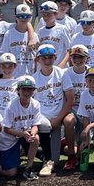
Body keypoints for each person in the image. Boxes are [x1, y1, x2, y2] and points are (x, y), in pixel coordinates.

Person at [0, 76, 47, 182]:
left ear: (33, 91)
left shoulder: (35, 104)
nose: (27, 92)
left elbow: (36, 125)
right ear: (18, 91)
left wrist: (32, 134)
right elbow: (7, 129)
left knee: (36, 138)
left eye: (29, 89)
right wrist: (23, 134)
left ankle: (28, 168)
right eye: (24, 89)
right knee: (11, 173)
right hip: (9, 139)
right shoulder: (11, 106)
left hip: (23, 134)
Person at [31, 44, 67, 175]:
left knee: (57, 161)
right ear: (38, 59)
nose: (47, 61)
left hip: (57, 118)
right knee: (45, 125)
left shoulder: (62, 73)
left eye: (50, 57)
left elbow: (70, 99)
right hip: (42, 117)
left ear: (55, 58)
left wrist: (58, 119)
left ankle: (44, 155)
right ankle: (47, 160)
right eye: (43, 58)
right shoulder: (34, 78)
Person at [2, 5, 41, 76]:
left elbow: (37, 57)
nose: (23, 19)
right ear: (15, 17)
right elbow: (5, 54)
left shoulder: (34, 35)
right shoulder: (9, 34)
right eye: (20, 16)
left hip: (30, 74)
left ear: (30, 17)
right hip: (14, 75)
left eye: (27, 16)